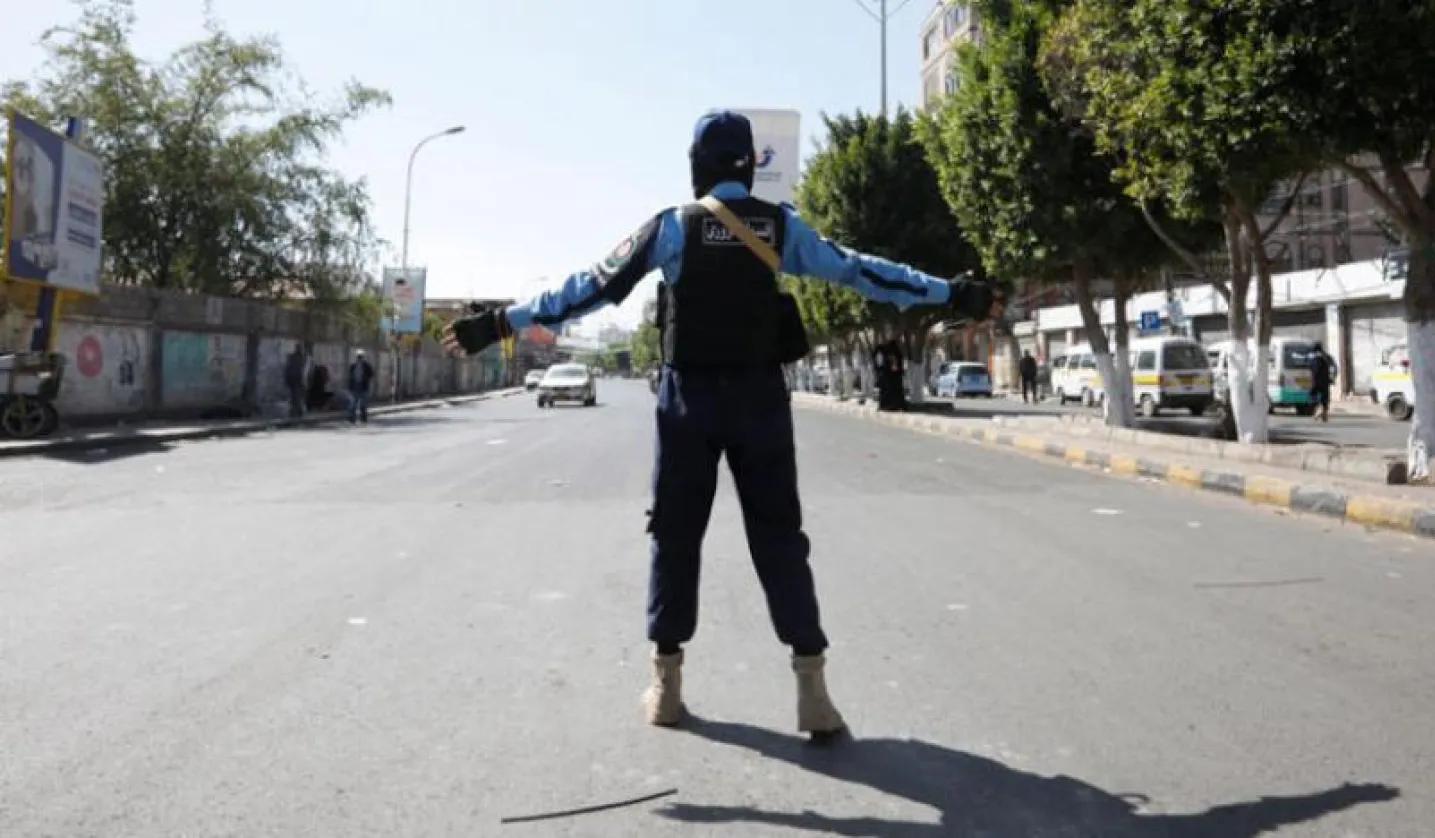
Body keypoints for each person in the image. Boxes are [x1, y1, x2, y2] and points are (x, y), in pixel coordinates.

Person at [441, 110, 995, 738]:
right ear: (750, 163)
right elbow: (861, 269)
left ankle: (667, 686)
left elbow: (588, 288)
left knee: (675, 537)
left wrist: (499, 323)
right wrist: (949, 294)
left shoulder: (672, 227)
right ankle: (813, 690)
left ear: (696, 163)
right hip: (760, 399)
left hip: (688, 403)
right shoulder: (780, 227)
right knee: (781, 539)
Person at [348, 349, 375, 424]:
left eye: (360, 357)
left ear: (363, 357)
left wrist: (366, 378)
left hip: (363, 387)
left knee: (363, 404)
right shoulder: (353, 366)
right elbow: (350, 376)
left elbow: (371, 374)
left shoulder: (366, 366)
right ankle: (352, 418)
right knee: (353, 403)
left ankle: (363, 418)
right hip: (354, 387)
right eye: (358, 357)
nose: (359, 358)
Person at [1310, 342, 1335, 423]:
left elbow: (1313, 370)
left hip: (1316, 380)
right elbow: (1333, 368)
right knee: (1325, 397)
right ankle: (1324, 413)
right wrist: (1332, 378)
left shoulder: (1313, 358)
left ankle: (1317, 410)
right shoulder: (1327, 357)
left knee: (1313, 395)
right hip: (1326, 381)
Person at [284, 345, 307, 418]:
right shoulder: (302, 358)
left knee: (294, 397)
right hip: (297, 380)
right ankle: (297, 411)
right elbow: (303, 371)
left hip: (292, 380)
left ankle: (295, 411)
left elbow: (287, 368)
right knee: (297, 397)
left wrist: (286, 379)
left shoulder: (291, 357)